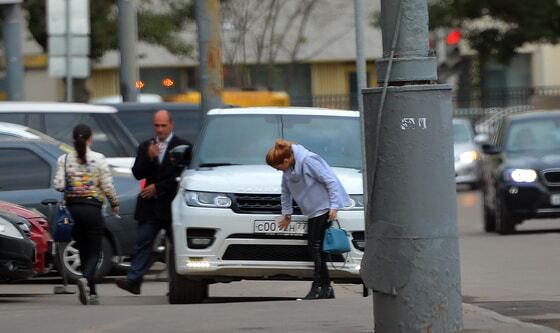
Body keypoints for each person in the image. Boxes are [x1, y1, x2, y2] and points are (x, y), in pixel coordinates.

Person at [265, 139, 350, 300]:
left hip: (324, 207)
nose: (277, 170)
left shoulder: (309, 160)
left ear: (286, 160)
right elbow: (285, 191)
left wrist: (334, 206)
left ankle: (318, 286)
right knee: (317, 249)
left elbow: (330, 181)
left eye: (277, 166)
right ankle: (325, 288)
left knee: (314, 247)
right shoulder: (288, 170)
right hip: (312, 210)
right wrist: (287, 214)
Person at [116, 110, 189, 295]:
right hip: (150, 206)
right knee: (143, 241)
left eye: (163, 125)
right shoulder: (146, 146)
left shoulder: (183, 146)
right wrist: (149, 158)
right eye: (157, 125)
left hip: (172, 205)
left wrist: (158, 187)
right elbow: (137, 173)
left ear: (171, 125)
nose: (160, 129)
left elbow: (183, 177)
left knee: (177, 246)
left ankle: (178, 284)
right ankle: (134, 280)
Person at [53, 124, 119, 305]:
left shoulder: (64, 160)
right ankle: (86, 278)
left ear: (73, 140)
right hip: (92, 209)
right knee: (95, 251)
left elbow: (58, 185)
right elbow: (107, 186)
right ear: (90, 138)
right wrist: (114, 203)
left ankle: (91, 292)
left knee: (82, 249)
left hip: (72, 209)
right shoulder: (99, 159)